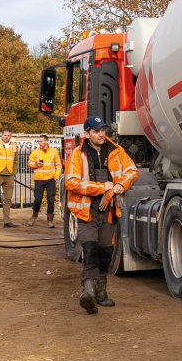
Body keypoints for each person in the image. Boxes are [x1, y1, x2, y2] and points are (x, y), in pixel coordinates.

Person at [65, 115, 138, 314]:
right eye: (96, 131)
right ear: (87, 133)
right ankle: (88, 292)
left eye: (103, 130)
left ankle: (101, 292)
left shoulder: (116, 150)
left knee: (106, 252)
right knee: (90, 250)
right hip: (87, 211)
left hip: (109, 211)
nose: (101, 134)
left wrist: (120, 185)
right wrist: (100, 187)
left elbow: (132, 171)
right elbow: (71, 182)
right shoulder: (78, 154)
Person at [27, 134, 62, 228]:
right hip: (39, 179)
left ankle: (50, 221)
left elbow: (58, 165)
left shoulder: (54, 151)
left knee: (51, 200)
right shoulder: (35, 151)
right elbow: (29, 163)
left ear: (46, 141)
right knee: (38, 199)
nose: (39, 143)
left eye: (41, 141)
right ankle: (34, 217)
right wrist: (36, 164)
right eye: (39, 141)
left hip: (51, 179)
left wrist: (56, 176)